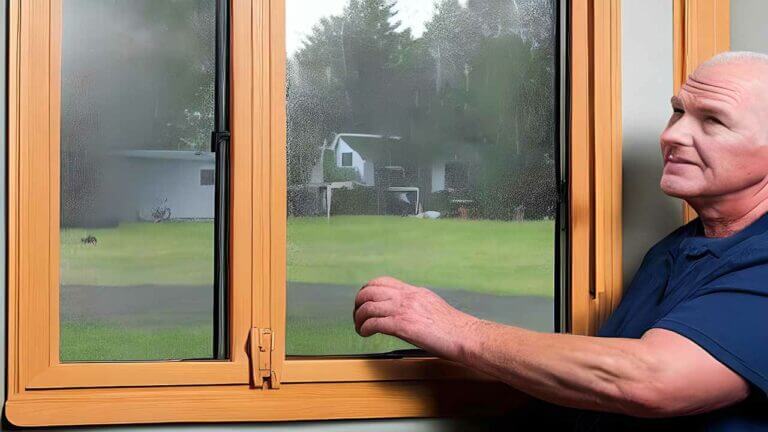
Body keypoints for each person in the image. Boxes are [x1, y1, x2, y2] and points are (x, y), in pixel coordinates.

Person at [353, 51, 768, 430]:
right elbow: (595, 388)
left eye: (712, 120)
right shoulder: (670, 253)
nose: (673, 135)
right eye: (677, 111)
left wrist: (456, 329)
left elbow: (652, 380)